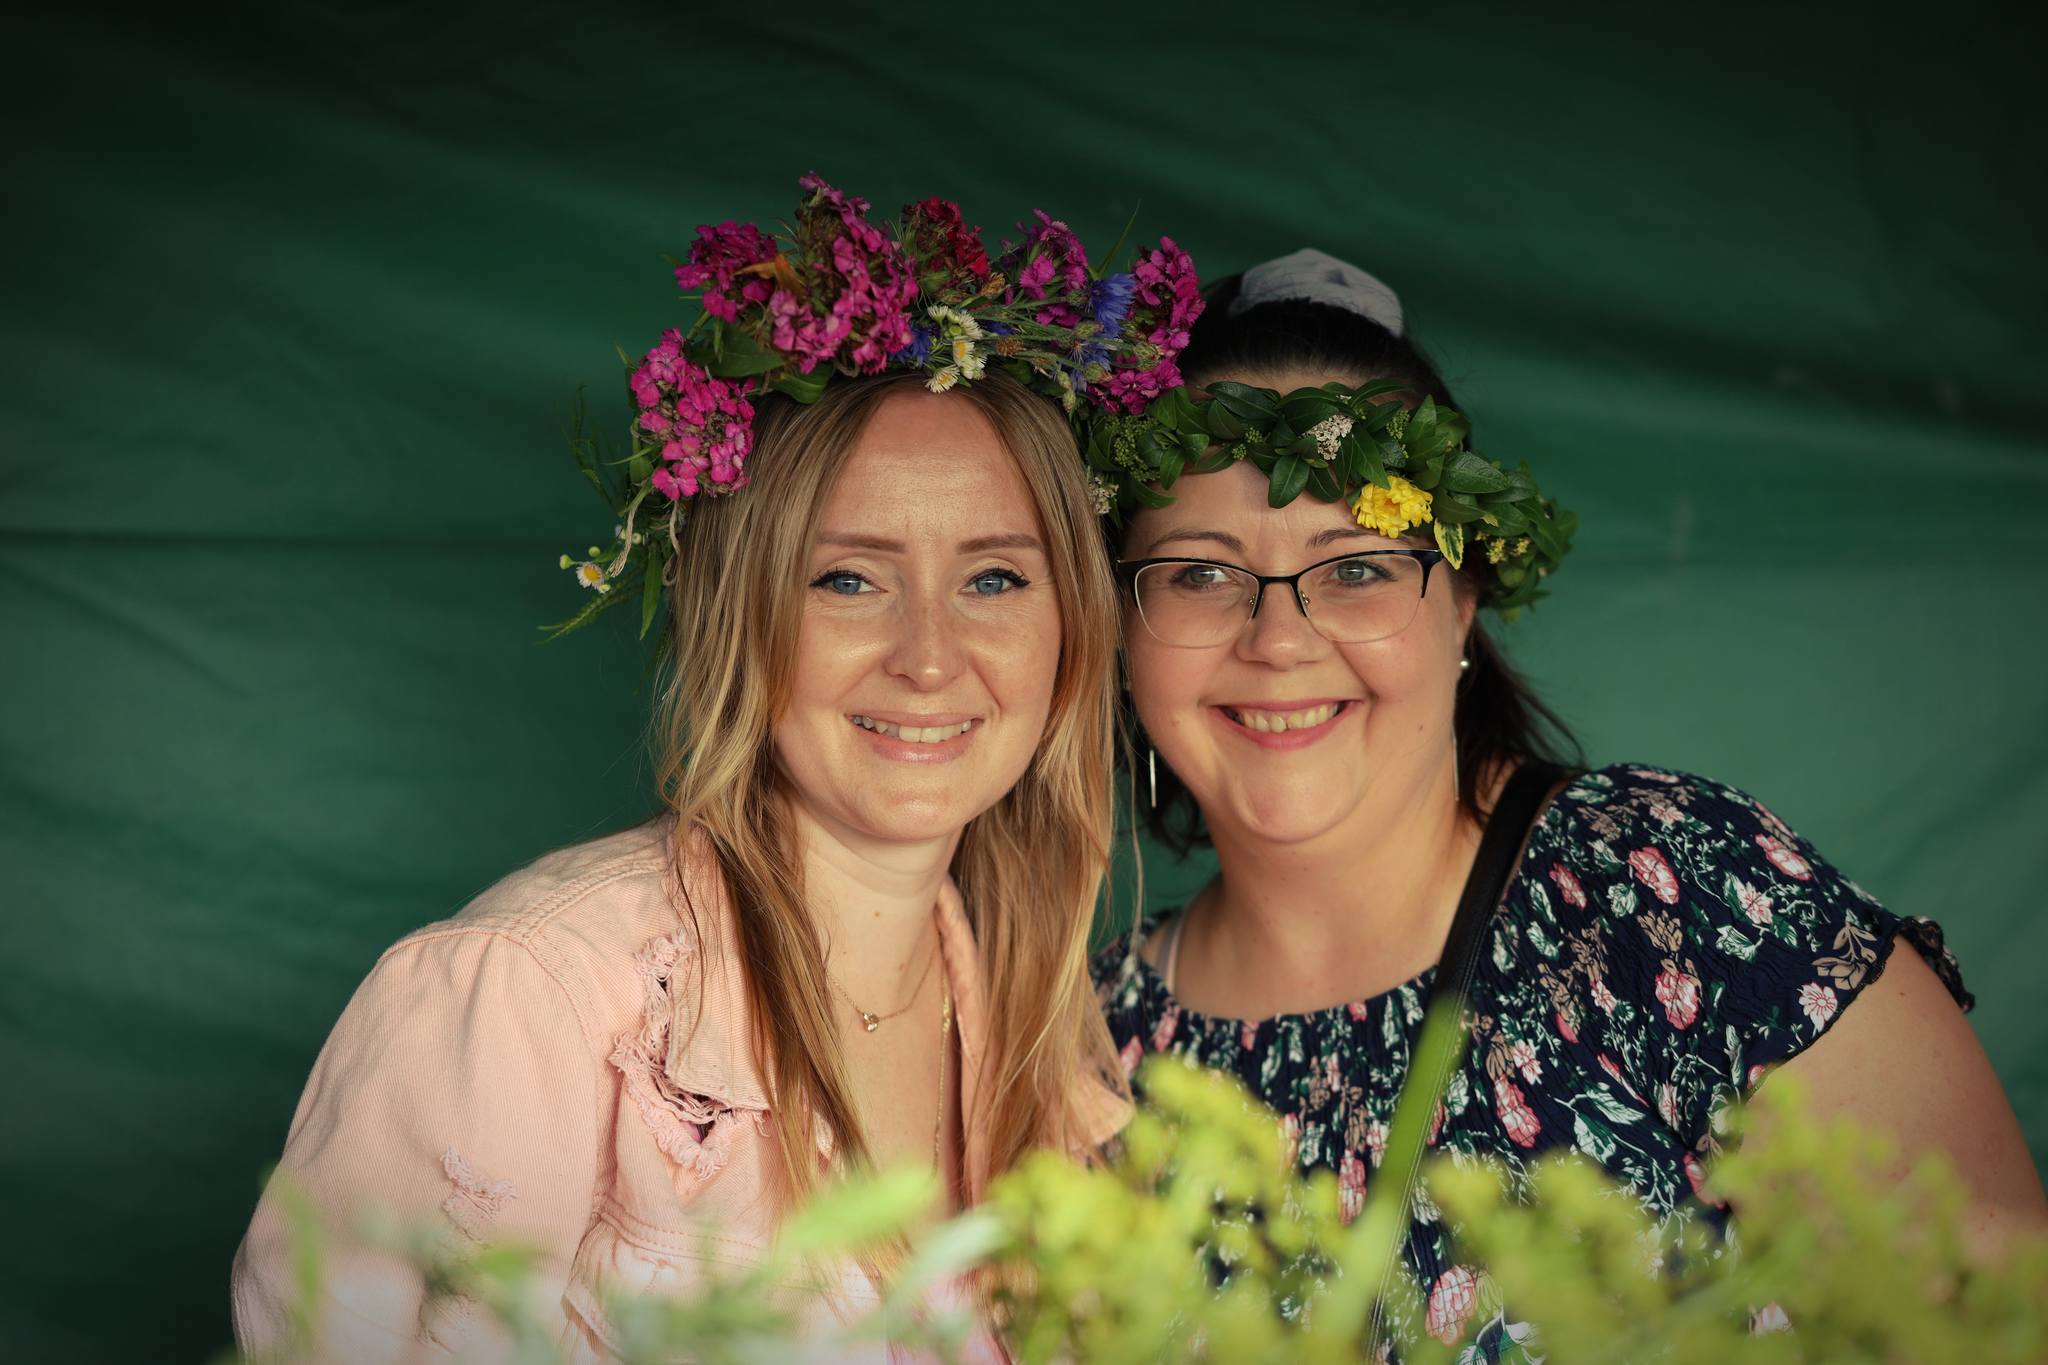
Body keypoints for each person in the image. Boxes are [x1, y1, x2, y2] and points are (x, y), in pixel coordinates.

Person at [229, 178, 1198, 1362]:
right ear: (740, 613)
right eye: (847, 578)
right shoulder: (531, 998)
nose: (929, 657)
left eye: (993, 577)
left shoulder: (1047, 1036)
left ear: (1071, 629)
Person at [1087, 248, 2047, 1350]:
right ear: (1118, 627)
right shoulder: (1084, 1050)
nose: (1279, 641)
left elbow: (2005, 1326)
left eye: (1355, 567)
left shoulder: (1669, 893)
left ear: (1462, 603)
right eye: (1199, 573)